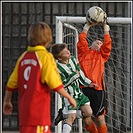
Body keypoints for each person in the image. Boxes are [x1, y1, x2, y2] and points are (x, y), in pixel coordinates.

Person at [3, 21, 77, 133]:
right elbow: (54, 83)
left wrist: (7, 101)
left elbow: (11, 83)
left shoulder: (23, 57)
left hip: (24, 115)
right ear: (48, 38)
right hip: (38, 114)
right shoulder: (45, 57)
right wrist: (69, 97)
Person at [51, 43, 98, 133]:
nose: (68, 52)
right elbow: (63, 84)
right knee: (71, 118)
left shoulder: (73, 59)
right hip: (68, 96)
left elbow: (79, 72)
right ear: (60, 58)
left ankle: (64, 114)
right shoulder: (57, 69)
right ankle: (66, 116)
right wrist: (74, 75)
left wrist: (88, 83)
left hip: (78, 93)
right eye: (65, 53)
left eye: (67, 50)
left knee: (88, 112)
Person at [77, 19, 112, 133]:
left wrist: (106, 29)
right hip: (84, 89)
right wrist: (87, 27)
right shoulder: (83, 53)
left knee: (99, 118)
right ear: (90, 44)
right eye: (97, 41)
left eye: (101, 43)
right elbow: (81, 40)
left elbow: (107, 46)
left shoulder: (102, 56)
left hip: (98, 89)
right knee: (86, 119)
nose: (99, 43)